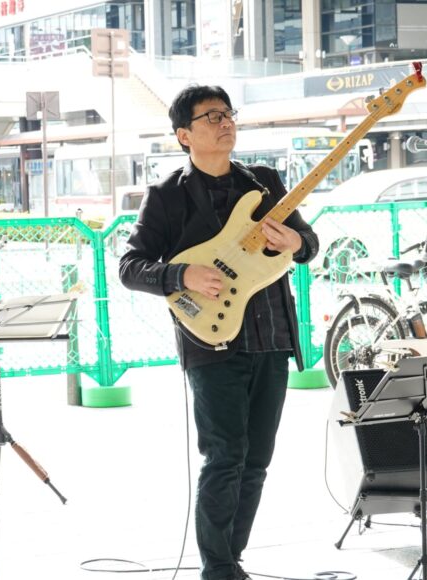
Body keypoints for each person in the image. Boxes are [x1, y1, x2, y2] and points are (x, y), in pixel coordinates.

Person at [118, 85, 319, 580]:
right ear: (184, 135)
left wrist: (296, 242)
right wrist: (181, 275)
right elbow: (129, 266)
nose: (225, 122)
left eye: (228, 113)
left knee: (257, 461)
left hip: (271, 335)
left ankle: (232, 560)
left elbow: (308, 243)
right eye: (211, 116)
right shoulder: (167, 197)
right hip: (210, 341)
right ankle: (219, 570)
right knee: (225, 456)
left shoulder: (264, 182)